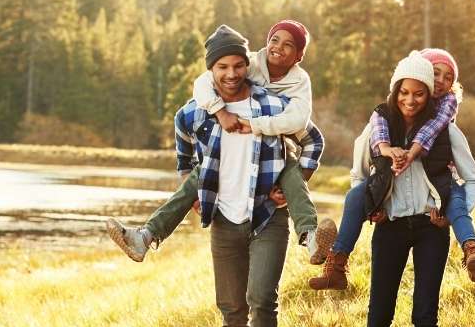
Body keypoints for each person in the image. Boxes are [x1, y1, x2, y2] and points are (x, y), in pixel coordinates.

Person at [106, 20, 335, 266]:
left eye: (289, 44)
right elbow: (203, 83)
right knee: (200, 174)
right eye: (274, 40)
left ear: (299, 55)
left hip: (277, 149)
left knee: (291, 173)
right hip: (229, 153)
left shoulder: (299, 83)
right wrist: (220, 112)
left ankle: (311, 239)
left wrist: (293, 182)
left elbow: (302, 122)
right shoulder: (248, 62)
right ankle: (145, 237)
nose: (277, 47)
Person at [168, 25, 298, 327]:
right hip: (224, 220)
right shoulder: (192, 112)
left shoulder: (272, 106)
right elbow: (183, 153)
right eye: (222, 66)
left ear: (248, 66)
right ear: (210, 70)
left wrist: (294, 183)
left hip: (266, 216)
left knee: (261, 300)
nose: (231, 73)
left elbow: (314, 140)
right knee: (231, 309)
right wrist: (192, 189)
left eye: (239, 65)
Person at [350, 51, 475, 327]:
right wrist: (370, 207)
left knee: (425, 310)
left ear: (428, 93)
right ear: (397, 90)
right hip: (390, 226)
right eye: (405, 92)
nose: (411, 99)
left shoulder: (446, 131)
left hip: (430, 228)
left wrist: (451, 214)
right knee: (380, 306)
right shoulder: (378, 127)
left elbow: (473, 180)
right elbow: (358, 175)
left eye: (420, 92)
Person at [308, 48, 475, 291]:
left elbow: (432, 133)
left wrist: (411, 154)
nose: (441, 82)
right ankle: (336, 262)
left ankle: (472, 248)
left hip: (437, 189)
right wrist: (374, 203)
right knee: (354, 197)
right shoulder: (385, 114)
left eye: (448, 78)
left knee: (456, 201)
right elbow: (368, 150)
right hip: (390, 205)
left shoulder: (445, 114)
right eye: (436, 73)